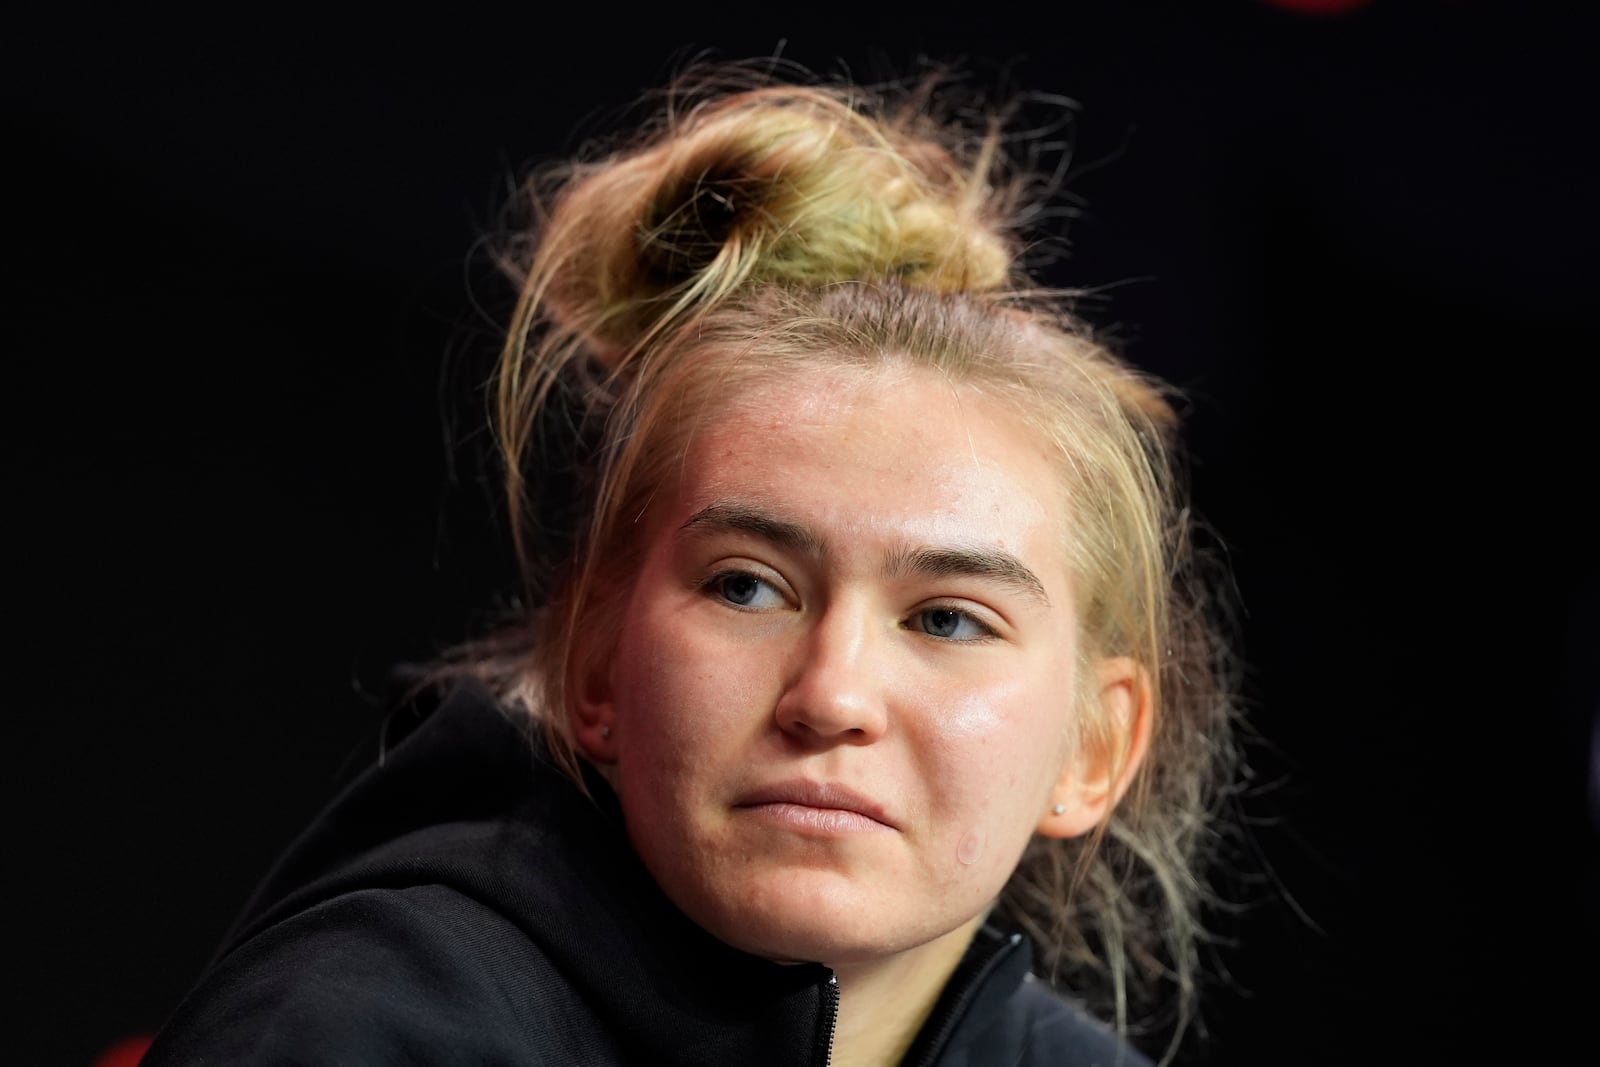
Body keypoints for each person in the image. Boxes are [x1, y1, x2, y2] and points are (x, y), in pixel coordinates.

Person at [143, 61, 1240, 1067]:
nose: (832, 695)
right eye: (747, 585)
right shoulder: (360, 1029)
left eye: (947, 618)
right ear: (595, 669)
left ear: (1094, 747)